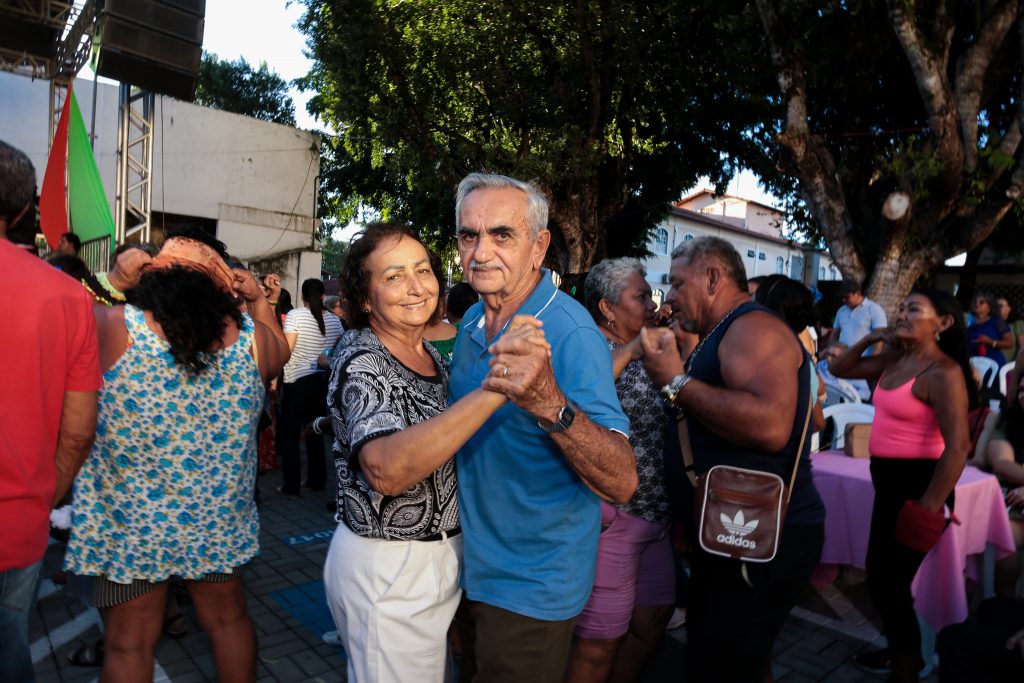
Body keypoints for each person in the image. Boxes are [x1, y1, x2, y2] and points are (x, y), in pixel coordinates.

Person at [63, 230, 290, 683]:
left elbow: (56, 320)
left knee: (129, 644)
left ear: (154, 277)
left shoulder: (114, 328)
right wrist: (258, 301)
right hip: (216, 520)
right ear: (223, 285)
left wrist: (113, 281)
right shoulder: (253, 343)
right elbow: (281, 352)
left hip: (132, 526)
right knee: (228, 621)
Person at [322, 222, 539, 682]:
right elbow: (385, 470)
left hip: (433, 562)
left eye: (422, 270)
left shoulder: (433, 358)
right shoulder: (363, 359)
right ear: (365, 297)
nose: (416, 286)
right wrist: (498, 386)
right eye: (393, 276)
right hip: (390, 568)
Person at [448, 172, 636, 682]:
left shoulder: (570, 331)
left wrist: (551, 404)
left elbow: (622, 480)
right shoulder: (472, 321)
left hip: (531, 584)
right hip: (468, 569)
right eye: (469, 235)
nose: (481, 252)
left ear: (539, 247)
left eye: (501, 235)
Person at [638, 237, 824, 682]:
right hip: (732, 533)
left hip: (756, 536)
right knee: (735, 660)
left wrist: (675, 382)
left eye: (678, 283)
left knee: (724, 664)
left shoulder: (752, 328)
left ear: (712, 278)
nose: (671, 296)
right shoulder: (727, 329)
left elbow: (770, 426)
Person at [830, 288, 975, 682]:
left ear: (943, 323)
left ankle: (907, 667)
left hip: (919, 487)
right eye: (902, 308)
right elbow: (840, 368)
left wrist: (928, 506)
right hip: (888, 485)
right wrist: (870, 338)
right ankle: (899, 652)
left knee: (889, 584)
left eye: (915, 309)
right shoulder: (896, 358)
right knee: (881, 579)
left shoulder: (943, 372)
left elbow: (958, 447)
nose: (903, 314)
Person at [1, 140, 101, 683]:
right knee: (9, 646)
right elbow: (79, 430)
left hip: (23, 514)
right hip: (20, 517)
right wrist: (46, 494)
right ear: (22, 209)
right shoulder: (68, 297)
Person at [565, 258, 674, 683]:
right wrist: (630, 352)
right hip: (614, 520)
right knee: (598, 643)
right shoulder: (589, 346)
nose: (651, 304)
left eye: (651, 295)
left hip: (656, 516)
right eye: (640, 296)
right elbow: (571, 399)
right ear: (608, 308)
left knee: (651, 622)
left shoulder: (650, 348)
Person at [277, 278, 343, 495]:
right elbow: (339, 349)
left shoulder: (295, 316)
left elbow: (287, 351)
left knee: (290, 434)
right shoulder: (334, 320)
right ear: (322, 296)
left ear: (303, 296)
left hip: (296, 382)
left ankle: (291, 485)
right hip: (321, 382)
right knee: (315, 430)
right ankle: (317, 480)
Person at [754, 274, 827, 432]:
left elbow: (817, 422)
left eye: (754, 300)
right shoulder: (799, 356)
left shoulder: (778, 357)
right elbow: (818, 422)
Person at [981, 370, 1024, 596]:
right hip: (1014, 500)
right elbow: (1002, 463)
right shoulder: (1008, 420)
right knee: (1005, 540)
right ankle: (1005, 605)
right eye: (1022, 390)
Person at [833, 279, 887, 355]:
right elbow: (834, 336)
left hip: (864, 359)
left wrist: (873, 358)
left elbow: (879, 339)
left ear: (858, 293)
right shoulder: (841, 311)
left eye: (847, 297)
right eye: (842, 297)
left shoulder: (874, 309)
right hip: (843, 359)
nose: (844, 300)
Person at [968, 292, 1014, 366]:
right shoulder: (969, 322)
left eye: (981, 302)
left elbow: (1010, 343)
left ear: (989, 307)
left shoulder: (997, 321)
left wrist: (990, 342)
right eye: (975, 302)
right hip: (973, 364)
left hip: (993, 363)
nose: (977, 304)